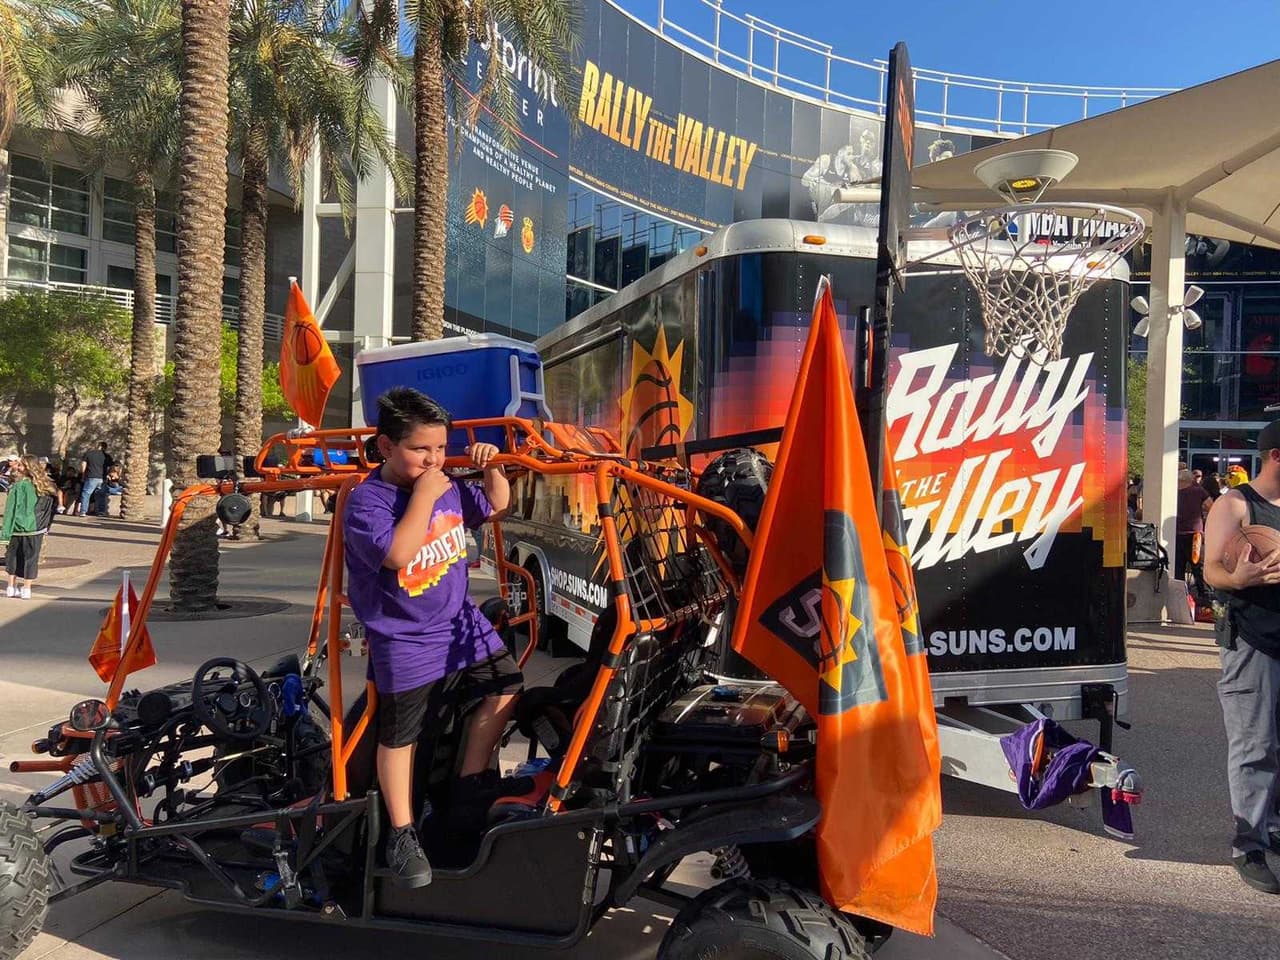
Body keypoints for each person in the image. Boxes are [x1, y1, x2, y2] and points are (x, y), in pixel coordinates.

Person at [342, 387, 518, 888]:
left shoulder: (447, 485)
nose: (435, 459)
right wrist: (423, 494)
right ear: (385, 448)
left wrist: (491, 467)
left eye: (440, 449)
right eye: (421, 450)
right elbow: (398, 555)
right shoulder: (368, 502)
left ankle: (467, 790)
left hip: (460, 623)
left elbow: (497, 504)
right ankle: (401, 832)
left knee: (505, 685)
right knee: (401, 737)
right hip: (406, 637)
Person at [1202, 419, 1280, 894]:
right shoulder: (1236, 504)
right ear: (1276, 456)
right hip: (1252, 640)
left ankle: (1273, 828)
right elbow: (1212, 570)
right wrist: (1242, 579)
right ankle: (1248, 843)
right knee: (1255, 745)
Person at [2, 456, 57, 599]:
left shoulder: (18, 486)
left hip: (17, 528)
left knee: (13, 558)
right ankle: (26, 589)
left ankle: (11, 586)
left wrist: (5, 532)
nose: (18, 467)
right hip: (36, 528)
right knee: (31, 558)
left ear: (26, 467)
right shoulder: (45, 486)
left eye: (20, 465)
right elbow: (51, 508)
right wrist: (45, 525)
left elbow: (10, 510)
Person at [1175, 468, 1211, 593]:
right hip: (1195, 533)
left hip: (1176, 533)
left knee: (1178, 566)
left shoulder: (1172, 490)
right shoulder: (1198, 491)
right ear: (1191, 480)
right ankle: (1202, 593)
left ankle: (1180, 593)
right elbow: (1210, 506)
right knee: (1197, 565)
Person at [79, 442, 110, 516]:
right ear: (105, 448)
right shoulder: (107, 456)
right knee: (101, 495)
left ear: (98, 446)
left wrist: (83, 474)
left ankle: (83, 511)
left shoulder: (89, 454)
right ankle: (101, 512)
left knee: (86, 494)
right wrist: (108, 475)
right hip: (102, 478)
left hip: (91, 477)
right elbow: (111, 467)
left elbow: (83, 465)